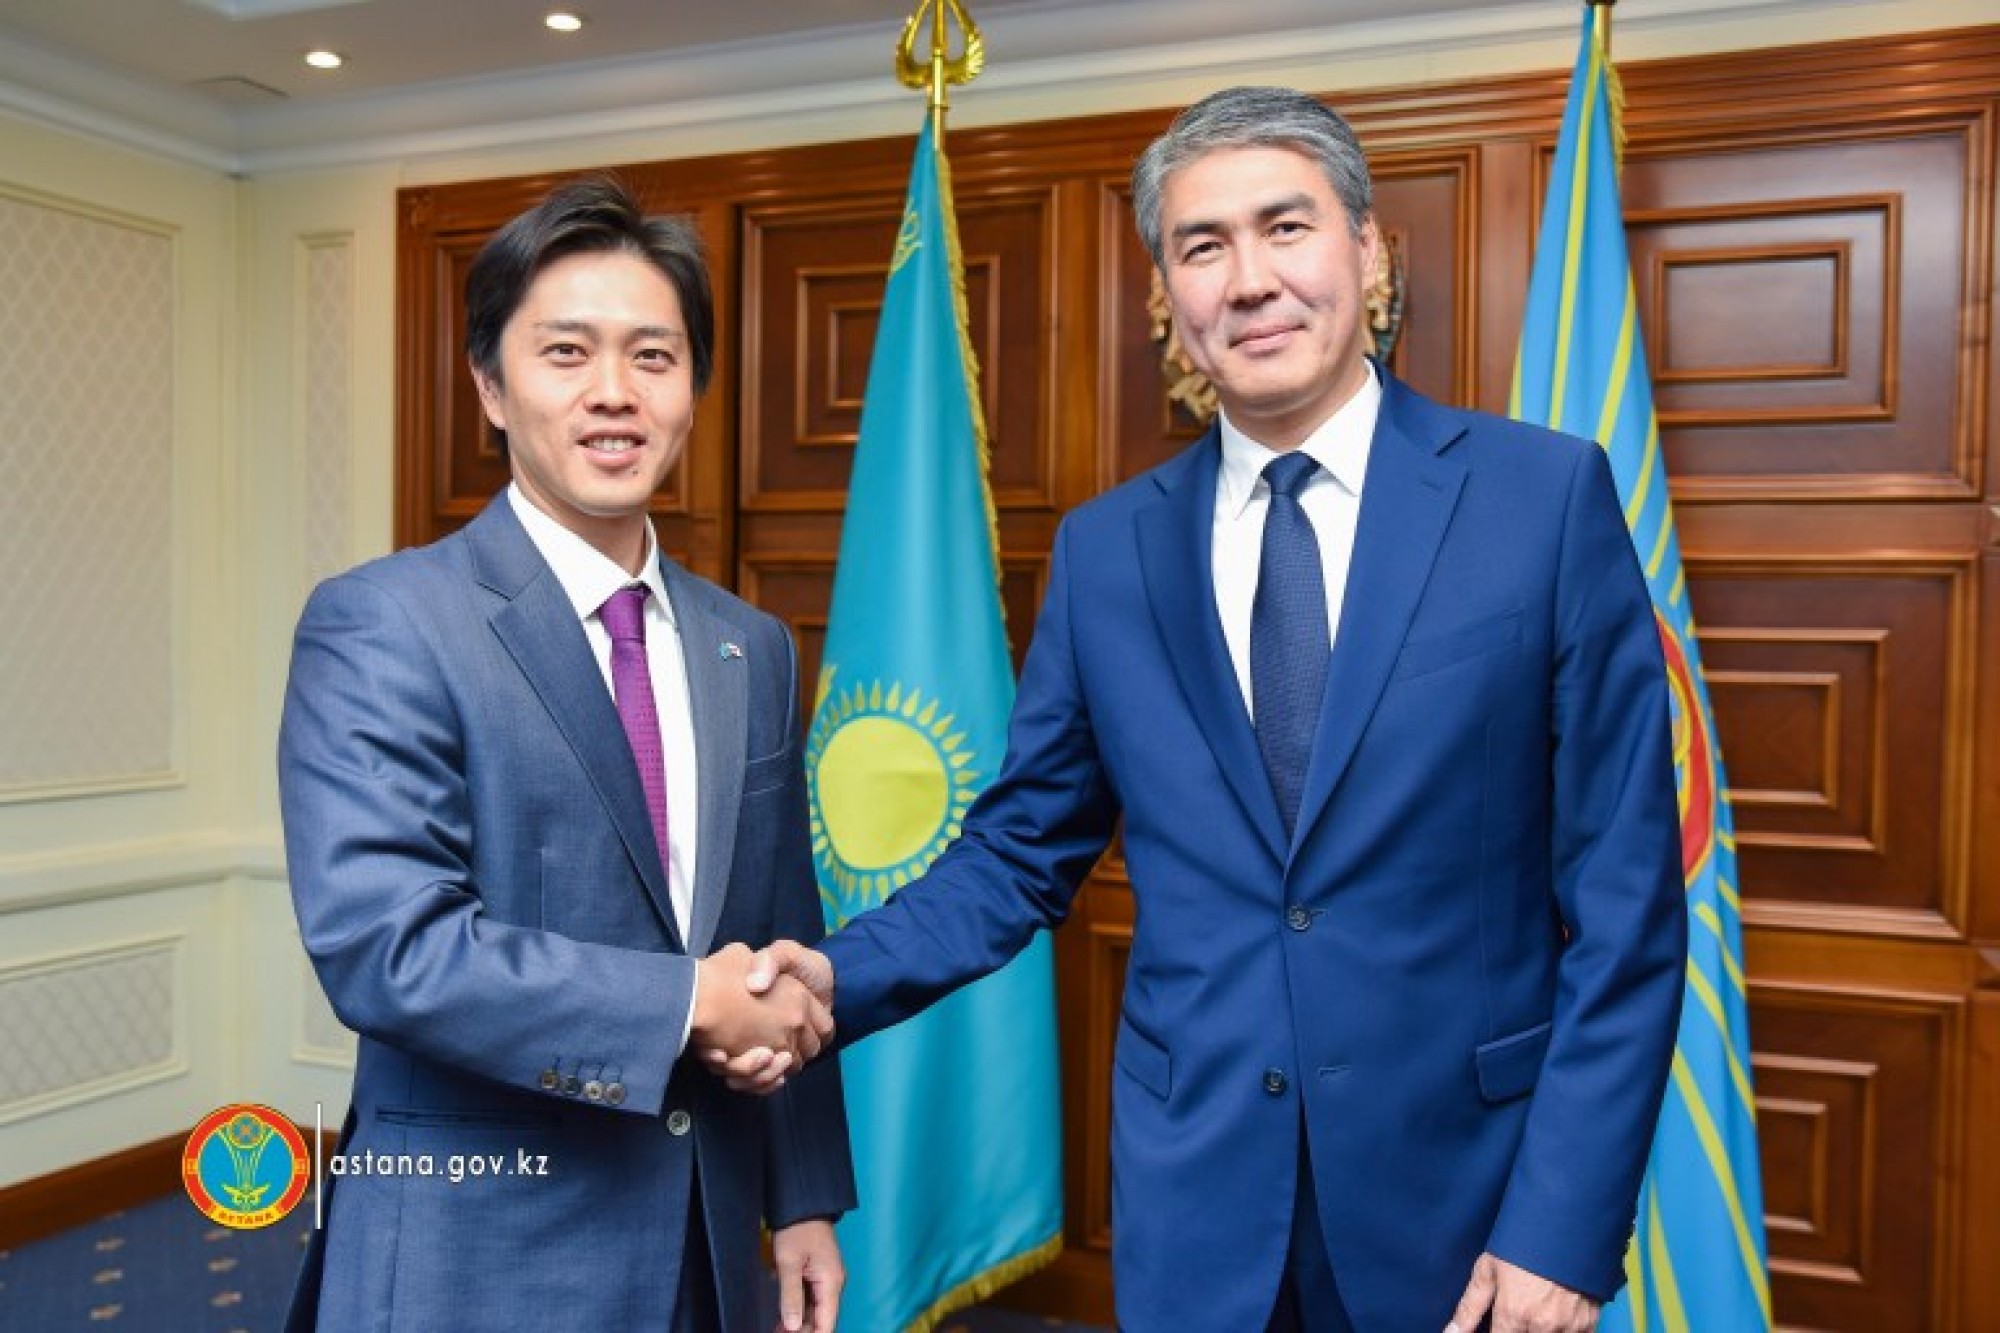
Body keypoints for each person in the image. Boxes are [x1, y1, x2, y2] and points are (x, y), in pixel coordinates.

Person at [713, 87, 1688, 1332]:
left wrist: (1560, 1228)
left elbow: (1624, 904)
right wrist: (828, 977)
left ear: (1367, 250)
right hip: (1199, 1207)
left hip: (1467, 1204)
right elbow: (1018, 853)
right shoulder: (1105, 551)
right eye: (1202, 245)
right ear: (1166, 293)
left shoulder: (1539, 500)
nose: (1249, 280)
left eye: (1285, 227)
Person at [278, 177, 854, 1333]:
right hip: (481, 1252)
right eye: (566, 352)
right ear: (489, 385)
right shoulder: (385, 622)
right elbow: (390, 951)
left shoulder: (748, 645)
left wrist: (800, 1196)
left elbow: (781, 933)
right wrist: (684, 1004)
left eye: (653, 356)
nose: (613, 393)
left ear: (692, 388)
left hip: (703, 1240)